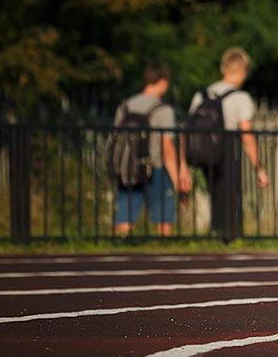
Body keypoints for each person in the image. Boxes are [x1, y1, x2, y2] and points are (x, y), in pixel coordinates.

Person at [179, 47, 269, 240]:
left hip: (202, 151)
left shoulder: (201, 95)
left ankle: (216, 233)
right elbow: (246, 134)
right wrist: (258, 166)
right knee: (230, 198)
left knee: (215, 195)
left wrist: (183, 164)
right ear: (242, 70)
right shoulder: (240, 98)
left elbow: (186, 129)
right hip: (226, 150)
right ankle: (230, 237)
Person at [112, 62, 180, 236]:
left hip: (127, 168)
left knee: (124, 218)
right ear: (163, 82)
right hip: (154, 167)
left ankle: (118, 249)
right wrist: (176, 178)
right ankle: (165, 252)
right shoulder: (163, 110)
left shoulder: (125, 106)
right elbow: (167, 147)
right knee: (163, 219)